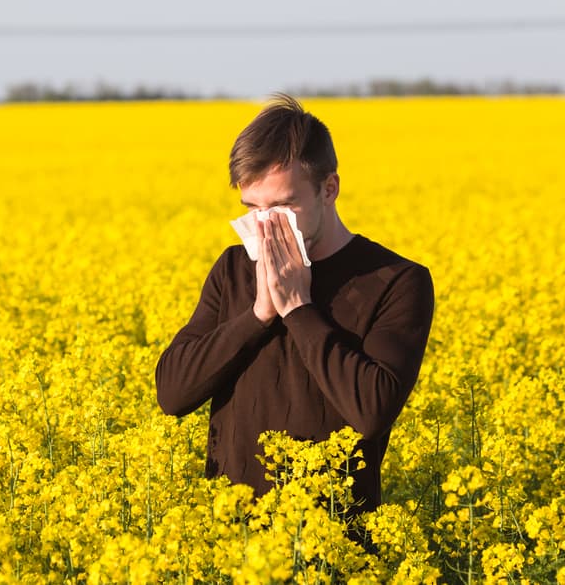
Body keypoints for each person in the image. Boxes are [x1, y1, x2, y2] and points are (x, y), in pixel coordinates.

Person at [154, 93, 434, 518]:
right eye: (252, 208)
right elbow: (172, 393)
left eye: (282, 205)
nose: (264, 226)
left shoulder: (396, 281)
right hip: (231, 539)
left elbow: (372, 411)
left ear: (329, 188)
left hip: (336, 548)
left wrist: (299, 310)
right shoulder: (234, 268)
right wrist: (259, 315)